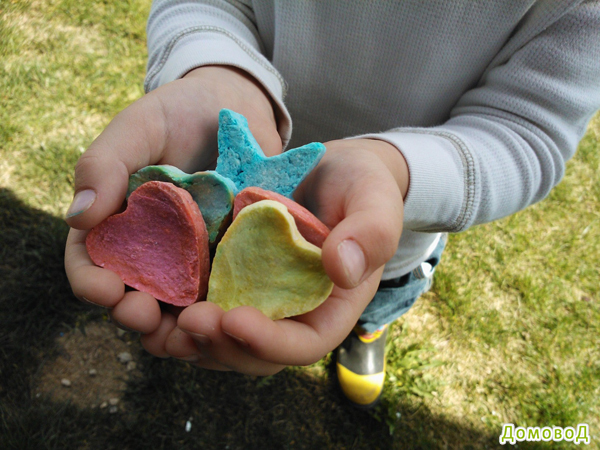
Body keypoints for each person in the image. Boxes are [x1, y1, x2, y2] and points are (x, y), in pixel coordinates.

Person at [64, 1, 600, 408]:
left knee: (378, 287)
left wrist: (393, 170)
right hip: (234, 198)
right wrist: (215, 72)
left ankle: (369, 328)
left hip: (391, 227)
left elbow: (528, 131)